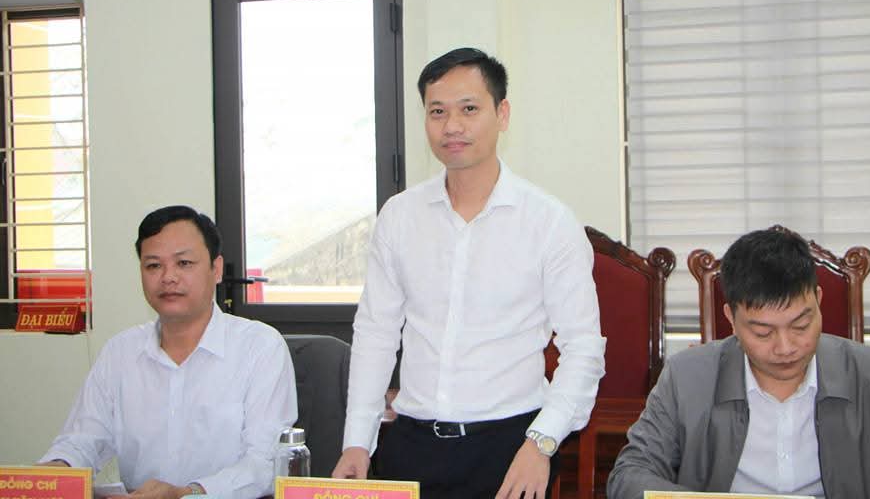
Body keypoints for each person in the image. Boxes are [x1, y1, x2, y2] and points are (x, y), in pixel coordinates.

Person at [331, 47, 606, 498]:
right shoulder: (400, 217)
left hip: (511, 446)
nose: (452, 126)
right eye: (437, 111)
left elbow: (583, 347)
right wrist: (357, 441)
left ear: (502, 114)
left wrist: (542, 442)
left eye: (469, 109)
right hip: (410, 443)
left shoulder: (549, 222)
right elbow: (376, 333)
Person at [608, 227, 870, 499]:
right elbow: (629, 474)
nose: (786, 347)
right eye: (763, 332)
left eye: (801, 325)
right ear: (731, 318)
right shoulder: (687, 377)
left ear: (818, 301)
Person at [39, 205, 297, 499]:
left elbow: (265, 463)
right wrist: (54, 473)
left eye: (184, 263)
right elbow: (82, 441)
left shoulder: (260, 348)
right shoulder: (120, 352)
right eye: (153, 266)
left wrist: (188, 494)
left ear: (216, 269)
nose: (168, 277)